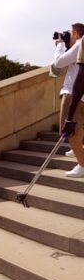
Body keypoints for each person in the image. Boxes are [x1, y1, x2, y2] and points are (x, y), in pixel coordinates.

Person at [54, 23, 84, 176]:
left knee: (67, 132)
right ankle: (77, 150)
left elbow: (58, 64)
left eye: (71, 32)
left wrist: (59, 45)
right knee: (78, 132)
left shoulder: (79, 44)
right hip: (81, 97)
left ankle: (82, 164)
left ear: (76, 33)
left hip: (73, 94)